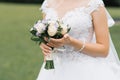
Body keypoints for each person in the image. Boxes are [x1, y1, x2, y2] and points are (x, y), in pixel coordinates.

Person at [37, 0, 120, 80]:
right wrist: (45, 46)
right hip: (54, 70)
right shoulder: (48, 4)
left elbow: (104, 50)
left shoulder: (94, 4)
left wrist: (72, 43)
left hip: (86, 71)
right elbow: (47, 37)